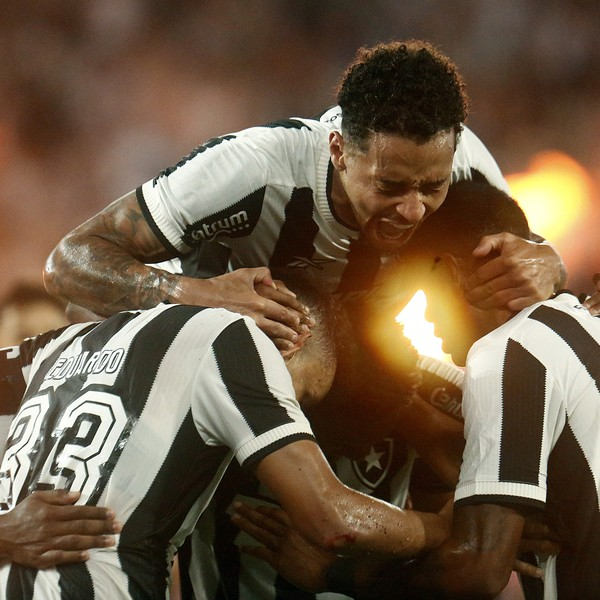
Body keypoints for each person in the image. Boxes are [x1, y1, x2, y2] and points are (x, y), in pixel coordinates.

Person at [43, 40, 567, 349]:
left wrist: (551, 264)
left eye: (432, 187)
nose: (413, 210)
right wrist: (201, 295)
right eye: (389, 186)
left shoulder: (463, 158)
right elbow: (69, 262)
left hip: (358, 368)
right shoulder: (253, 169)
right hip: (210, 357)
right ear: (339, 150)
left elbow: (529, 259)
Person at [233, 180, 598, 599]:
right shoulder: (586, 326)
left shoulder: (506, 352)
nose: (424, 319)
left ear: (449, 271)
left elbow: (477, 571)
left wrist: (335, 575)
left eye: (422, 291)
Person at [0, 272, 451, 599]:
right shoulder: (238, 341)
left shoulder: (65, 343)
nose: (291, 415)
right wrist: (447, 527)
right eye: (302, 396)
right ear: (289, 337)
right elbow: (335, 521)